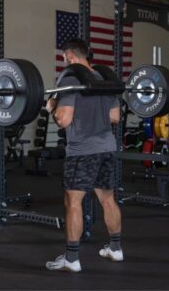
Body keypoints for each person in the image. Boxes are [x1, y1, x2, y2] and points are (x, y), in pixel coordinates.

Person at [45, 38, 123, 273]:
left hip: (82, 151)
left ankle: (71, 259)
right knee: (107, 199)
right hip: (107, 147)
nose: (64, 60)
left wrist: (52, 108)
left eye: (64, 56)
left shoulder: (71, 79)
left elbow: (64, 119)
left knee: (73, 202)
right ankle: (116, 249)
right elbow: (115, 117)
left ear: (69, 56)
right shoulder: (104, 79)